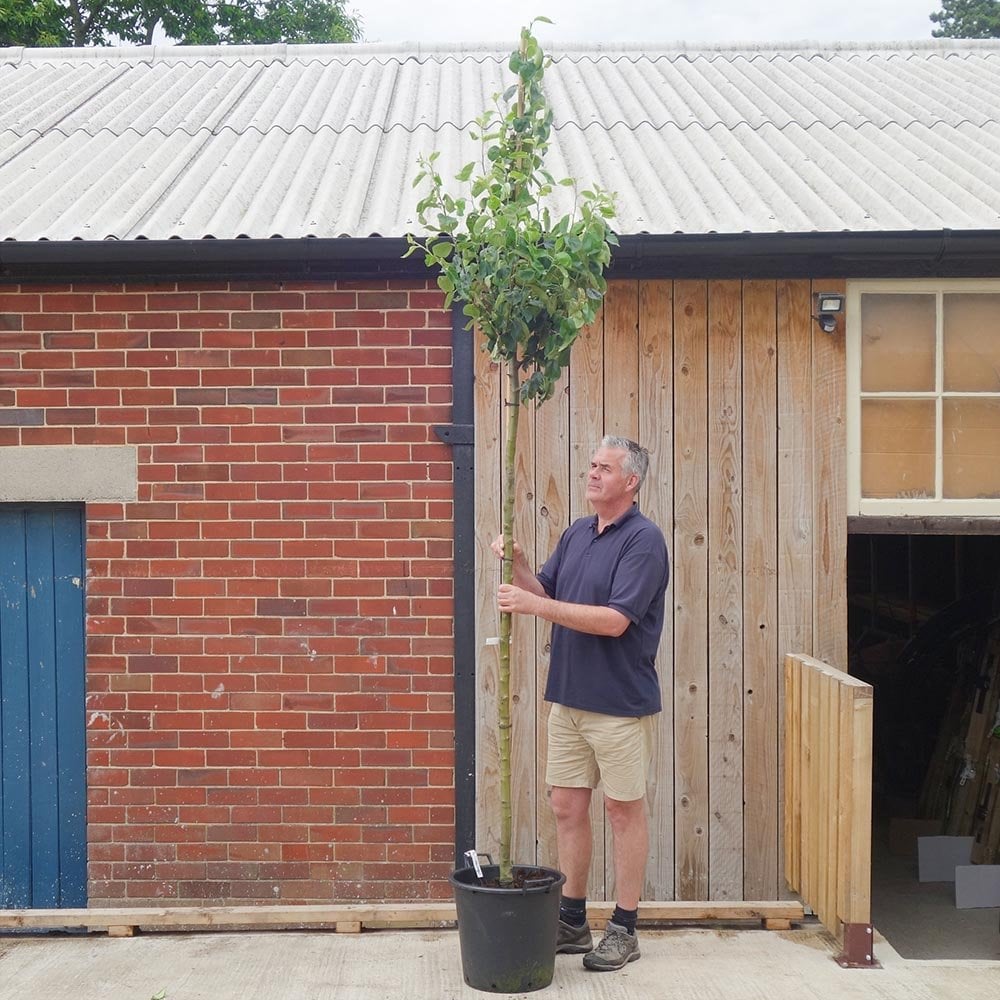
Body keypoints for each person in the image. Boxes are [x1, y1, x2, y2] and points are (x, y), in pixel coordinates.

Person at [491, 434, 669, 972]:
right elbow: (543, 595)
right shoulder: (576, 533)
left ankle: (625, 927)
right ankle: (572, 921)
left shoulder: (644, 541)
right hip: (567, 698)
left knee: (622, 809)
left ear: (630, 481)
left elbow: (615, 621)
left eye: (604, 468)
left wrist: (531, 606)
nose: (592, 474)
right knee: (567, 808)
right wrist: (520, 564)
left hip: (618, 704)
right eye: (590, 465)